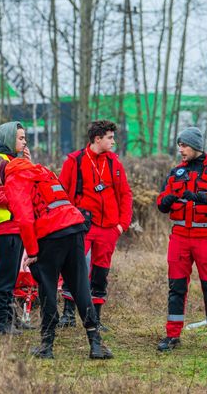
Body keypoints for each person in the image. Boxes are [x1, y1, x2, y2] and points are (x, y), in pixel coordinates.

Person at [0, 153, 113, 360]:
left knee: (47, 289)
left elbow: (24, 219)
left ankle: (47, 345)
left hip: (51, 234)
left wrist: (32, 252)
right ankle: (96, 343)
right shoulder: (39, 169)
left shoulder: (14, 178)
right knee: (80, 287)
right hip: (74, 226)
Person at [156, 127, 207, 353]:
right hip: (179, 237)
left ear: (196, 146)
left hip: (205, 238)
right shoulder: (175, 172)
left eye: (184, 146)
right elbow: (161, 202)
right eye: (179, 145)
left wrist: (200, 196)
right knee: (176, 288)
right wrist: (168, 199)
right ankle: (172, 336)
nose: (180, 150)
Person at [58, 120, 133, 328]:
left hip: (109, 228)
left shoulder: (114, 163)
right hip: (82, 226)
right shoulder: (74, 161)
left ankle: (96, 319)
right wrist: (68, 223)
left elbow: (125, 194)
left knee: (101, 272)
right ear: (97, 139)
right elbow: (61, 193)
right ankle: (68, 315)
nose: (113, 142)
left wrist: (121, 225)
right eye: (110, 138)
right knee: (74, 267)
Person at [0, 121, 30, 334]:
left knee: (10, 277)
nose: (24, 142)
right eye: (20, 138)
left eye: (25, 137)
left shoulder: (11, 161)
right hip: (5, 226)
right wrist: (22, 198)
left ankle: (11, 319)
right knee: (3, 277)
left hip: (14, 226)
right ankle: (1, 323)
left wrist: (26, 164)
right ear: (9, 138)